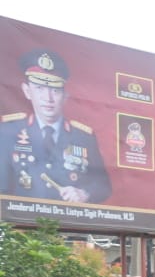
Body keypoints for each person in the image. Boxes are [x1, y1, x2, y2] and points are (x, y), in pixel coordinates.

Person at [0, 50, 111, 203]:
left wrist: (85, 194)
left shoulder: (84, 137)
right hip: (21, 218)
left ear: (65, 96)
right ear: (27, 91)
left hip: (68, 217)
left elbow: (103, 185)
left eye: (55, 90)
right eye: (39, 88)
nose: (48, 98)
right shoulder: (8, 131)